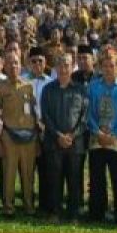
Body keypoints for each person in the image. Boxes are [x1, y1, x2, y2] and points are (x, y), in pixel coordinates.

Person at [39, 53, 88, 221]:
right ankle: (55, 212)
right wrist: (59, 135)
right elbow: (45, 116)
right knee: (54, 179)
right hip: (53, 142)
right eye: (60, 65)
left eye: (66, 65)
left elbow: (84, 117)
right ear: (55, 68)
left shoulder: (81, 89)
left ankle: (73, 214)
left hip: (75, 144)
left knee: (74, 180)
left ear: (71, 66)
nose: (63, 68)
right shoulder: (48, 89)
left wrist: (72, 136)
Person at [86, 51, 117, 225]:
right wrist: (98, 131)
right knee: (97, 178)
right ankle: (97, 213)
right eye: (105, 66)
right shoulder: (93, 86)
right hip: (97, 137)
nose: (108, 69)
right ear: (100, 68)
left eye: (112, 65)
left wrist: (113, 133)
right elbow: (88, 111)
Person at [0, 52, 38, 217]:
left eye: (16, 63)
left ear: (21, 66)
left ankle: (28, 205)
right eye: (10, 63)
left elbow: (34, 112)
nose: (13, 66)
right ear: (5, 66)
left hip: (29, 137)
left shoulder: (29, 86)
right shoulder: (0, 87)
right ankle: (8, 206)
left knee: (28, 174)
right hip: (9, 136)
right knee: (9, 173)